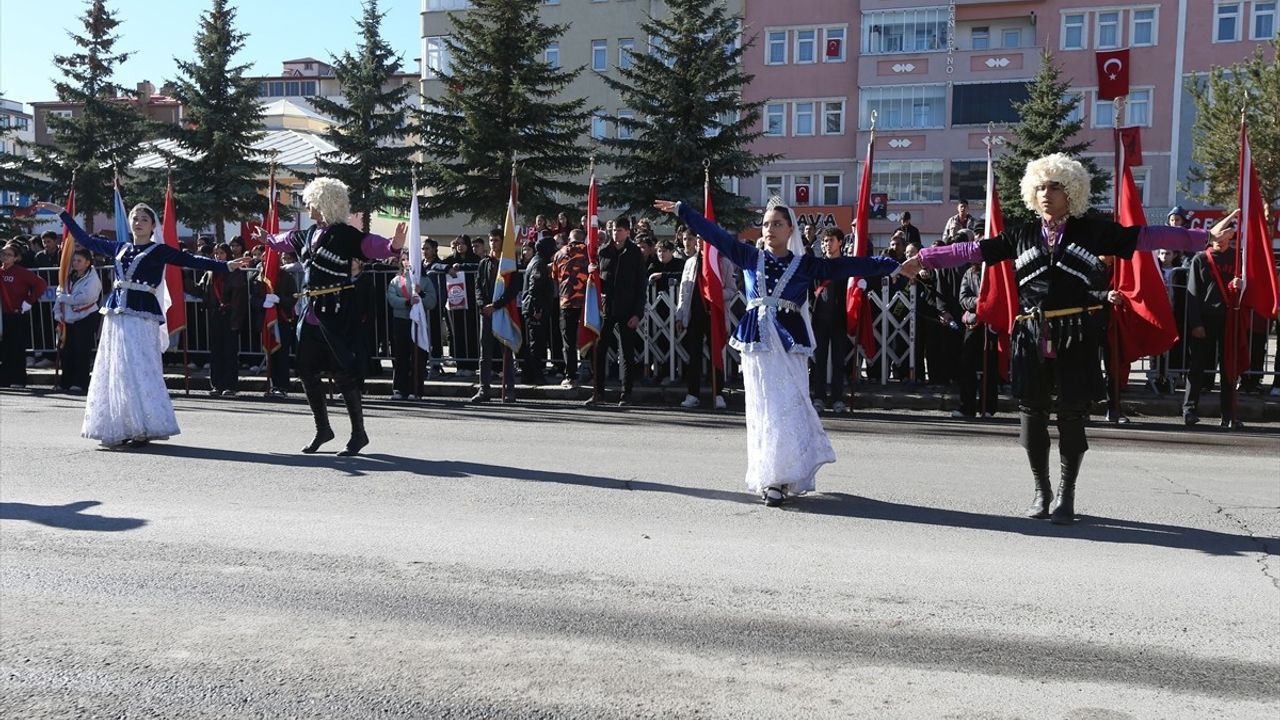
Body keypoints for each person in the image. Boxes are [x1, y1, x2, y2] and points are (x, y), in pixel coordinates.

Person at [899, 154, 1239, 524]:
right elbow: (973, 250)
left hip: (1075, 334)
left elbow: (1146, 236)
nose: (1047, 194)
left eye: (1055, 187)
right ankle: (1040, 491)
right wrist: (926, 258)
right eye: (1042, 187)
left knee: (1072, 414)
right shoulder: (1019, 234)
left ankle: (1066, 493)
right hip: (1030, 334)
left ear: (1071, 192)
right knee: (1031, 412)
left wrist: (1203, 236)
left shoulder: (1091, 230)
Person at [655, 197, 899, 507]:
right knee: (763, 410)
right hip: (757, 344)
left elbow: (847, 265)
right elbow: (715, 235)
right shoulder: (748, 256)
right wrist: (683, 211)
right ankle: (770, 476)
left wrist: (892, 265)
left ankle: (784, 475)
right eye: (766, 224)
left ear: (790, 229)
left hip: (789, 344)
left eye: (777, 224)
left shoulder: (805, 264)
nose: (770, 229)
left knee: (788, 407)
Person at [34, 200, 248, 446]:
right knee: (116, 368)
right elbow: (86, 239)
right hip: (117, 313)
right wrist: (63, 214)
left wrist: (226, 265)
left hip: (143, 313)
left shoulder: (159, 250)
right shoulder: (119, 247)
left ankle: (142, 426)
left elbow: (190, 261)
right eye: (135, 219)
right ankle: (119, 425)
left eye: (144, 219)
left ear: (153, 225)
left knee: (139, 367)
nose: (138, 223)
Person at [254, 178, 407, 456]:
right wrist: (268, 239)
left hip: (336, 312)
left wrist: (393, 246)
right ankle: (322, 429)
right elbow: (284, 241)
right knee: (305, 371)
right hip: (310, 313)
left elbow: (370, 245)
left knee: (342, 373)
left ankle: (358, 435)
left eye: (311, 201)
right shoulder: (307, 233)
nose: (307, 205)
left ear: (325, 204)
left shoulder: (346, 234)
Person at [1182, 227, 1243, 429]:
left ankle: (1229, 413)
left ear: (1231, 237)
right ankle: (1189, 410)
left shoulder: (1237, 259)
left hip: (1229, 319)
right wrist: (1196, 323)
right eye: (1218, 234)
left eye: (1226, 235)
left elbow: (1249, 289)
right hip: (1205, 319)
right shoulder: (1200, 259)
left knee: (1228, 368)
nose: (1221, 239)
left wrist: (1242, 285)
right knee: (1197, 366)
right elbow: (1192, 293)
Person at [675, 230, 737, 410]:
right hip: (694, 316)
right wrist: (680, 315)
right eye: (699, 239)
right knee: (693, 356)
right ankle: (692, 393)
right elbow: (683, 291)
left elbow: (732, 290)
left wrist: (717, 295)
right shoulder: (690, 262)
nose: (701, 243)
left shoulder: (723, 263)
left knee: (716, 356)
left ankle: (718, 393)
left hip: (714, 316)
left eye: (705, 239)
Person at [591, 215, 647, 406]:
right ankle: (598, 392)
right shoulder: (604, 251)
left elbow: (641, 285)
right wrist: (593, 273)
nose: (616, 233)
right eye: (614, 230)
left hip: (628, 308)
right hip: (607, 309)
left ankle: (626, 393)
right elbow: (599, 280)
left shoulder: (635, 253)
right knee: (599, 349)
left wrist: (638, 313)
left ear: (628, 232)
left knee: (627, 352)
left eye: (620, 230)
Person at [809, 227, 852, 413]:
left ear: (840, 242)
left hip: (840, 319)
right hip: (820, 319)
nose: (827, 244)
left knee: (838, 361)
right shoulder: (818, 265)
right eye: (825, 241)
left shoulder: (846, 265)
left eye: (831, 240)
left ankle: (837, 399)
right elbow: (811, 290)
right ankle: (819, 397)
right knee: (819, 361)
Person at [198, 243, 249, 397]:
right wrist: (181, 280)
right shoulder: (209, 273)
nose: (218, 256)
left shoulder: (236, 273)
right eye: (216, 253)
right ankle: (216, 385)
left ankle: (230, 385)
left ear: (228, 255)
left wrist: (236, 320)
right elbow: (201, 290)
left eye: (221, 253)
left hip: (230, 315)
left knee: (230, 352)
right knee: (216, 351)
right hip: (215, 315)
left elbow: (240, 300)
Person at [473, 228, 518, 403]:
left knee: (505, 352)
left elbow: (513, 289)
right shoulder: (484, 262)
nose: (493, 243)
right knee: (485, 354)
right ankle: (484, 389)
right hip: (486, 313)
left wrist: (496, 305)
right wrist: (483, 305)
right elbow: (478, 286)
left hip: (502, 311)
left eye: (496, 240)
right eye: (491, 240)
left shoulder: (508, 264)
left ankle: (509, 389)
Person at [386, 248, 437, 400]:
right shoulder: (396, 281)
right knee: (401, 356)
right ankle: (399, 389)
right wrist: (407, 302)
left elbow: (432, 302)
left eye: (410, 259)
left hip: (418, 322)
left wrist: (421, 294)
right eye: (404, 259)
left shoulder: (425, 281)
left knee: (418, 356)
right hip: (401, 321)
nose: (407, 262)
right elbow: (392, 299)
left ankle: (416, 389)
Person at [0, 241, 50, 388]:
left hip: (17, 314)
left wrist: (29, 301)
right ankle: (4, 379)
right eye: (3, 253)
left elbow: (41, 284)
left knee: (17, 348)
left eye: (9, 255)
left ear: (16, 258)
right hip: (3, 317)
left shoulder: (21, 272)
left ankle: (18, 379)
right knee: (5, 349)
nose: (4, 257)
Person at [52, 248, 102, 394]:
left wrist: (65, 298)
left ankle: (80, 382)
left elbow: (85, 297)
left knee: (81, 350)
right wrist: (57, 312)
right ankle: (65, 382)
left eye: (79, 261)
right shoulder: (68, 276)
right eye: (74, 260)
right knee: (67, 350)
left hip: (86, 317)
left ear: (87, 263)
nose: (75, 263)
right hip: (68, 317)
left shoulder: (93, 279)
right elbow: (59, 293)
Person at [552, 227, 589, 388]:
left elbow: (554, 275)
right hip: (587, 302)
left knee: (568, 341)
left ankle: (571, 375)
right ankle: (591, 370)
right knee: (590, 336)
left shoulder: (560, 253)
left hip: (566, 302)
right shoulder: (590, 253)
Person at [520, 235, 557, 385]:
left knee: (535, 343)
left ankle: (528, 375)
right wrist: (537, 309)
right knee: (536, 344)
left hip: (535, 307)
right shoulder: (538, 264)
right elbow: (534, 288)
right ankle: (536, 375)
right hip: (535, 309)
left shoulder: (538, 262)